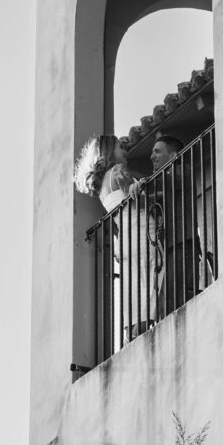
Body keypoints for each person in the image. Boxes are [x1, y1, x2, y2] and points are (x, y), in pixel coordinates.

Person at [74, 135, 159, 341]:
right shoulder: (118, 171)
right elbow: (135, 195)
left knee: (133, 282)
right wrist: (147, 190)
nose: (126, 151)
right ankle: (149, 322)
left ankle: (133, 330)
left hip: (124, 237)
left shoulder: (102, 187)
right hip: (141, 229)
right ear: (109, 151)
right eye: (121, 147)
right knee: (153, 273)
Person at [131, 134, 198, 318]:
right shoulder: (166, 181)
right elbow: (154, 201)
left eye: (157, 151)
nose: (152, 156)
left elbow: (167, 181)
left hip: (184, 243)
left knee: (170, 301)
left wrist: (145, 181)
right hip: (172, 248)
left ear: (174, 155)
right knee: (169, 301)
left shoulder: (184, 169)